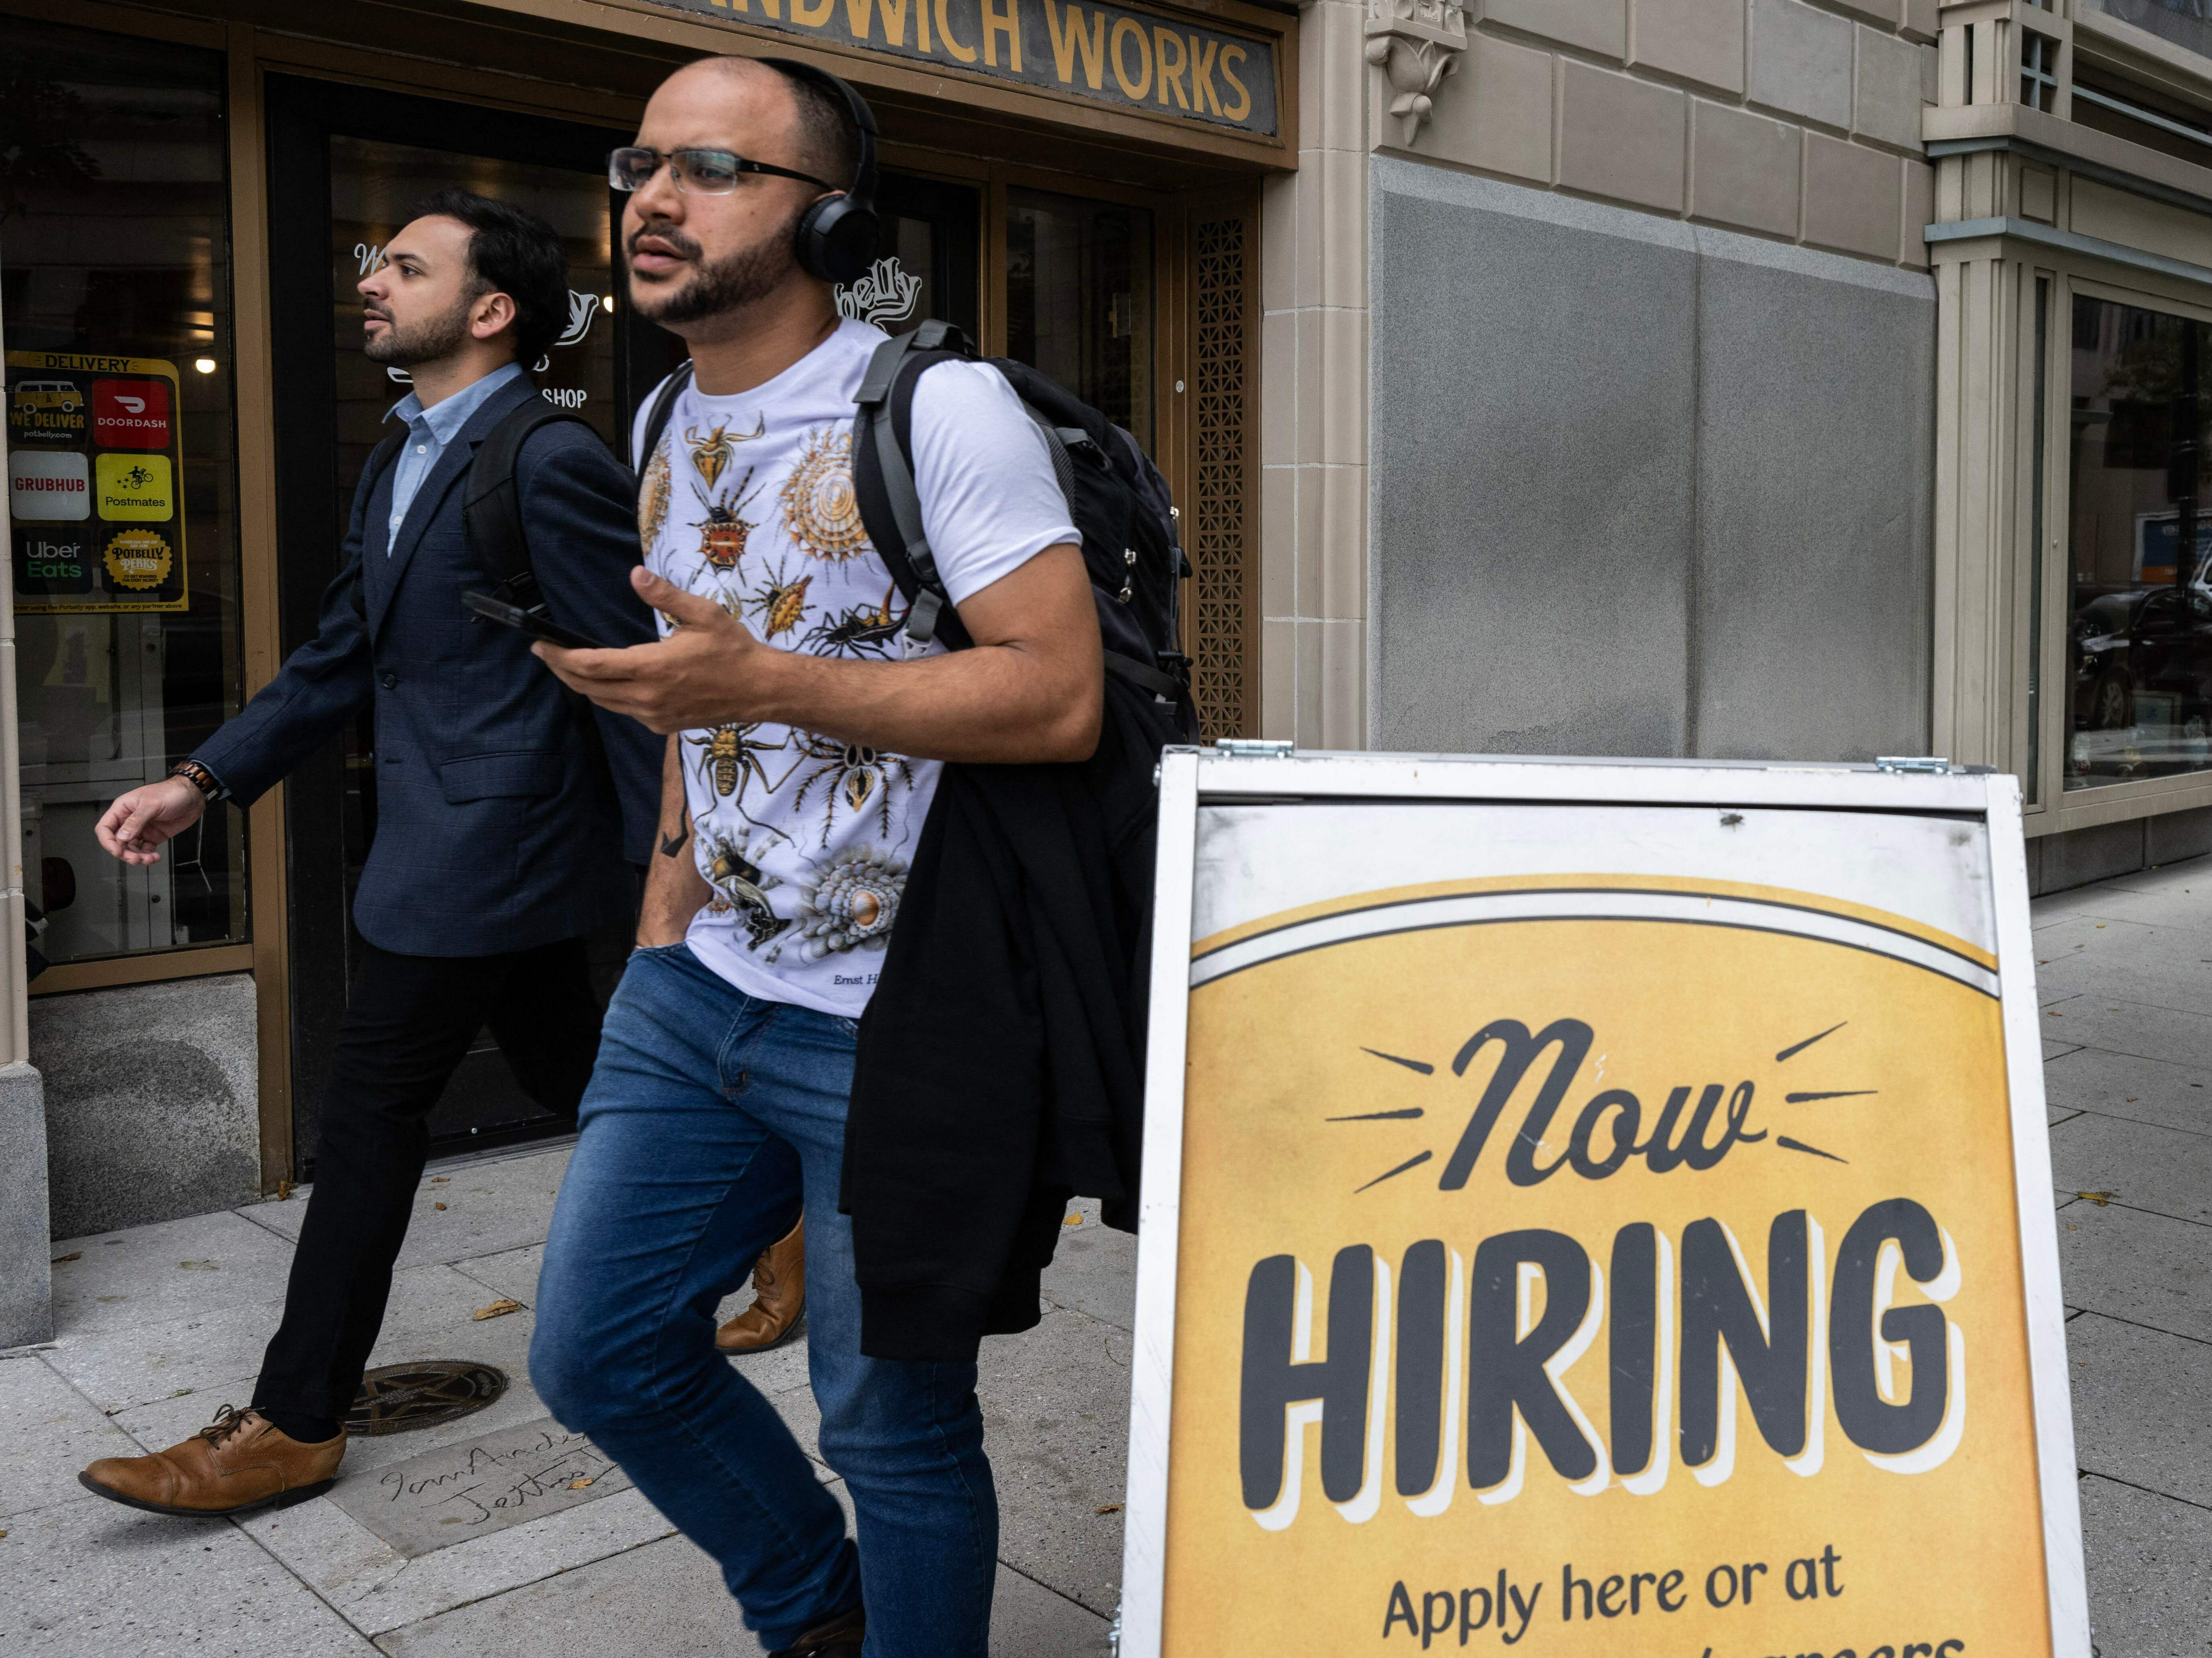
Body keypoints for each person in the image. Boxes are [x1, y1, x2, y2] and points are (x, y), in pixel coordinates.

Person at [524, 57, 1098, 1658]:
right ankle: (814, 1612)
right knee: (598, 1353)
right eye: (641, 160)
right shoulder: (654, 412)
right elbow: (693, 705)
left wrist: (758, 684)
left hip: (899, 1025)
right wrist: (663, 901)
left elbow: (1056, 696)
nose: (653, 196)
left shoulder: (934, 408)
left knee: (893, 1431)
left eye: (712, 168)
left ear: (826, 219)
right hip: (697, 992)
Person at [77, 190, 661, 1517]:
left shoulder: (548, 457)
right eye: (375, 261)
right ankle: (778, 1224)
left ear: (492, 310)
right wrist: (202, 777)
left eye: (406, 265)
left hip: (489, 850)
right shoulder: (399, 447)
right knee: (581, 1072)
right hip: (441, 840)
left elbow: (633, 684)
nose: (373, 282)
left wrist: (661, 881)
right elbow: (345, 649)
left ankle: (294, 1416)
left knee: (368, 1114)